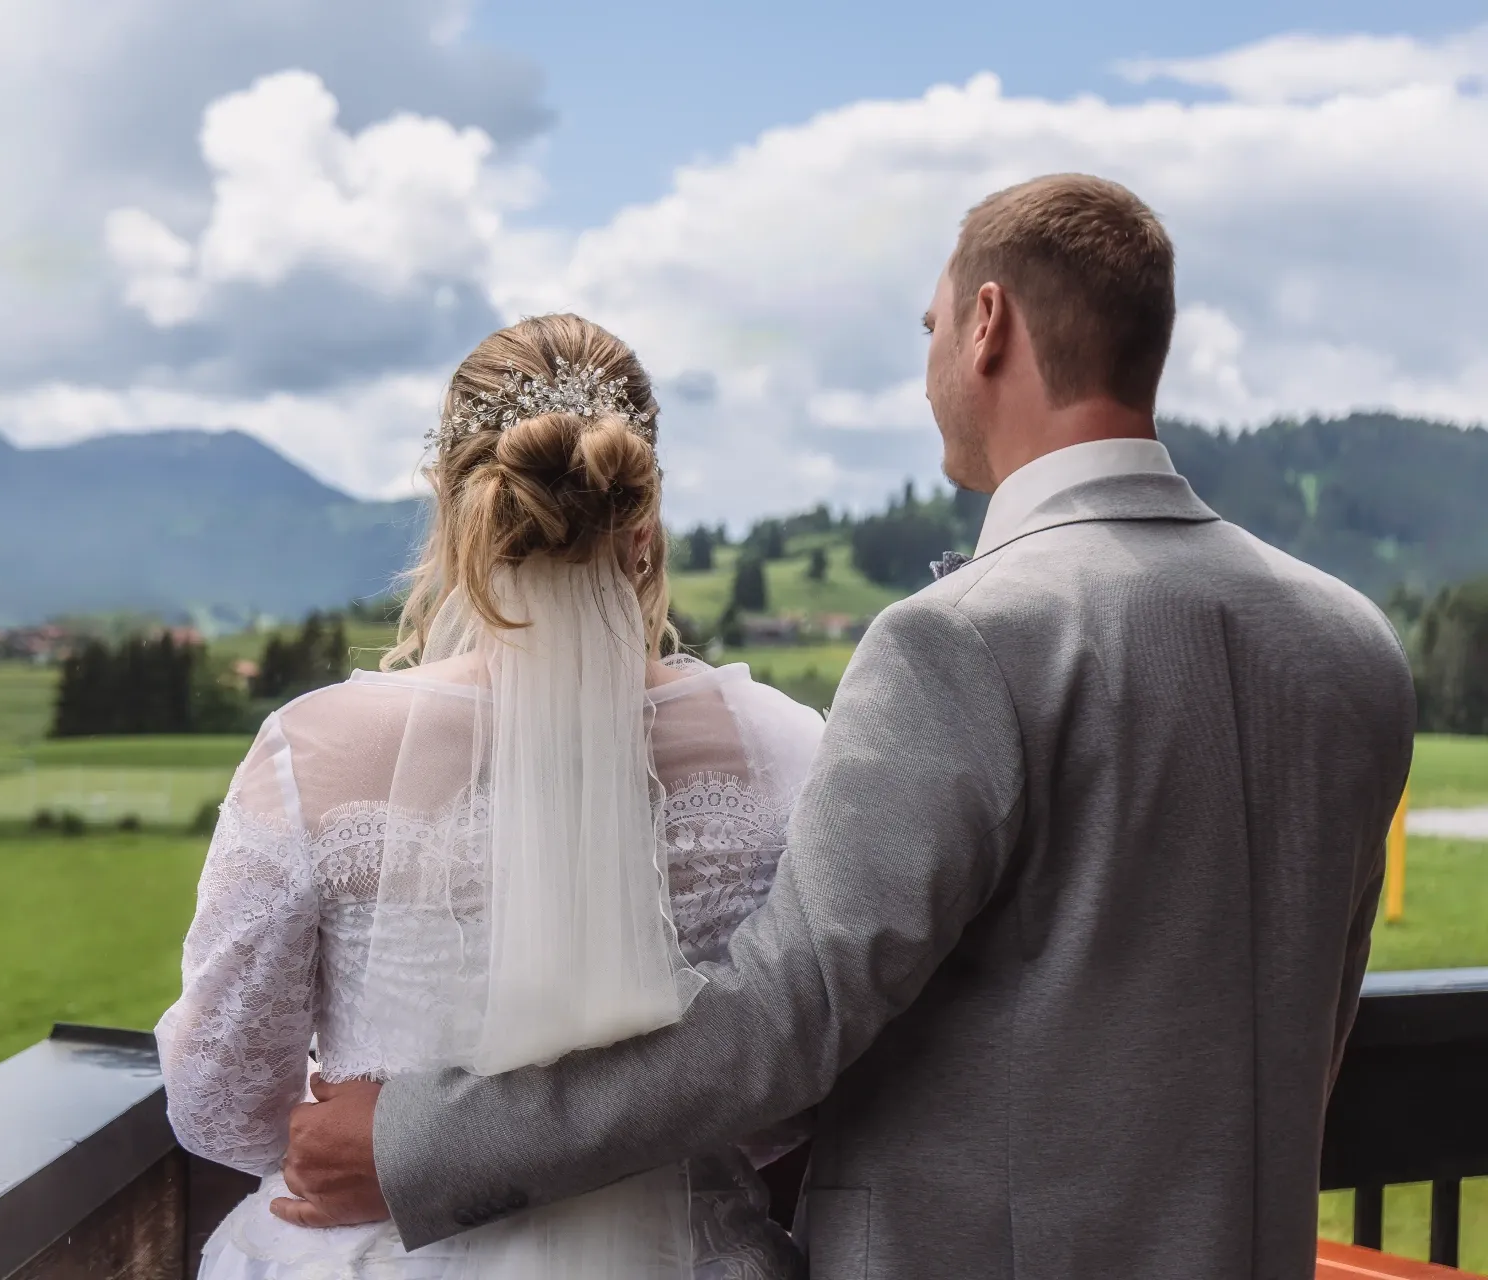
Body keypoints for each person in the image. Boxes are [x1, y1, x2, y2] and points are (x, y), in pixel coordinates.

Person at [270, 174, 1419, 1279]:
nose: (925, 378)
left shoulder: (961, 640)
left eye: (928, 330)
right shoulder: (1351, 643)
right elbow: (1314, 1026)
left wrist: (420, 1143)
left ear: (987, 323)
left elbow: (779, 1027)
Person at [155, 312, 825, 1278]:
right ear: (645, 512)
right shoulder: (783, 749)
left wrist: (390, 1146)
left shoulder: (312, 750)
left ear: (453, 502)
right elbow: (792, 1086)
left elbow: (220, 1102)